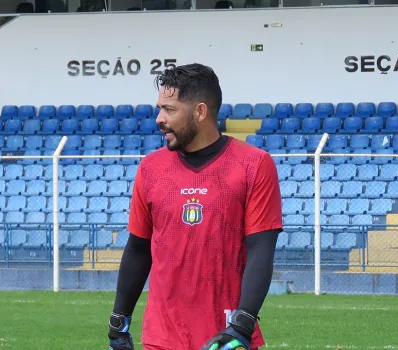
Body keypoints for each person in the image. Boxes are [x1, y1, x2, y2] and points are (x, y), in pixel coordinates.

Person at [108, 63, 283, 350]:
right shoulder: (151, 168)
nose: (159, 119)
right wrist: (119, 322)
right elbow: (138, 249)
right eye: (159, 108)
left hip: (227, 336)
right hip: (161, 337)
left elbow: (261, 251)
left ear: (200, 112)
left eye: (169, 109)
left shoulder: (254, 165)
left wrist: (242, 324)